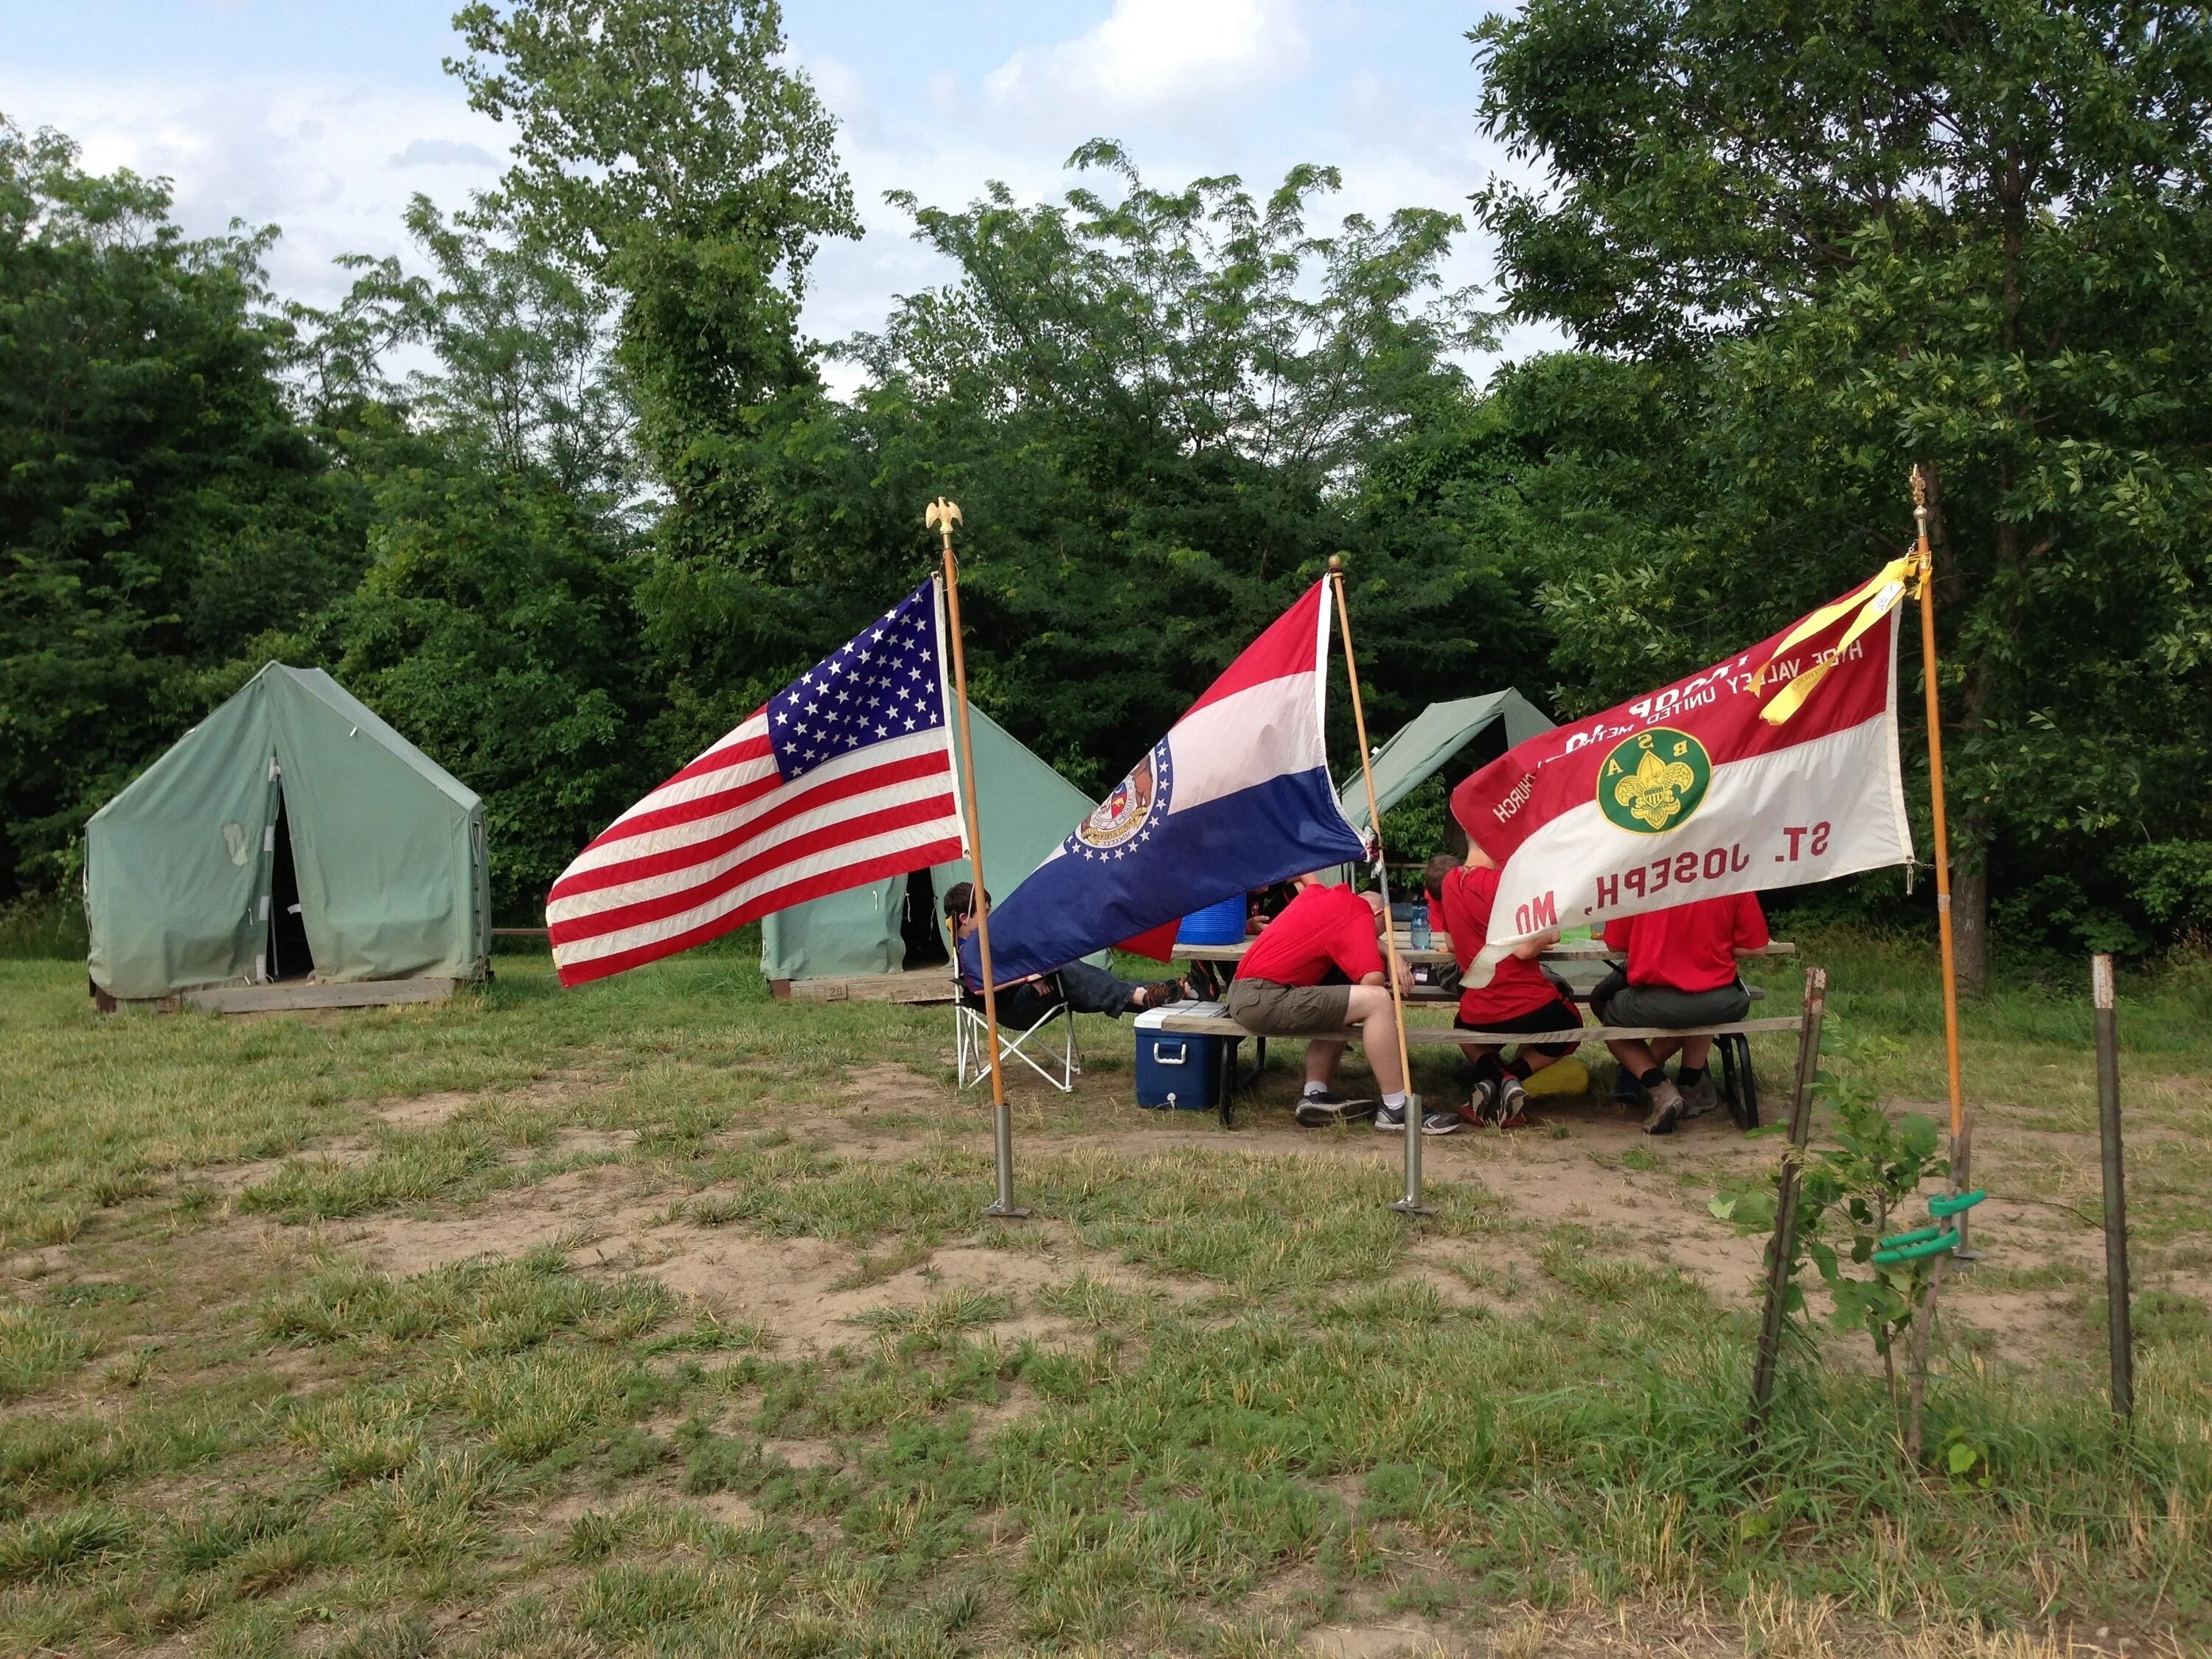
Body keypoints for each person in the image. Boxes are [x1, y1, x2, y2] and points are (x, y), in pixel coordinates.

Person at [1225, 875, 1453, 1135]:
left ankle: (1315, 1095)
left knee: (1343, 1002)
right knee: (1377, 1001)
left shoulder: (1321, 896)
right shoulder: (1358, 913)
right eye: (1380, 929)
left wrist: (1386, 949)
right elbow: (1373, 981)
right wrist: (1387, 955)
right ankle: (1396, 1107)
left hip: (1242, 992)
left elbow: (1326, 900)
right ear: (1378, 915)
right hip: (1264, 999)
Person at [1432, 838, 1582, 1127]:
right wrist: (1549, 932)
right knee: (1572, 1028)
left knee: (1463, 1031)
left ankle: (1495, 1081)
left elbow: (1450, 941)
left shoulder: (1451, 881)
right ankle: (1511, 1079)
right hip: (1531, 1005)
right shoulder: (1509, 883)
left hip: (1477, 1011)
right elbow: (1525, 949)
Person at [1594, 892, 1770, 1135]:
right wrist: (1710, 945)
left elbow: (1614, 944)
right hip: (1719, 1000)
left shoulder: (1640, 878)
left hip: (1656, 997)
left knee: (1611, 1020)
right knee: (1701, 1011)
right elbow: (1757, 948)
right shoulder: (1731, 874)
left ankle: (1659, 1089)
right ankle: (1690, 1087)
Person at [943, 884, 1190, 1026]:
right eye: (985, 913)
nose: (991, 916)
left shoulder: (985, 941)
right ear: (965, 918)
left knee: (1087, 985)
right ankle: (1151, 995)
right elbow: (980, 988)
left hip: (1037, 994)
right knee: (1067, 971)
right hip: (1013, 1009)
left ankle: (1177, 995)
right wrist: (1030, 978)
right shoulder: (966, 952)